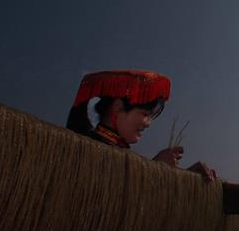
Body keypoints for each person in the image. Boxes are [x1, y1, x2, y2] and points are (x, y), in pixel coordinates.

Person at [66, 69, 217, 180]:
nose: (148, 123)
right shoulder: (85, 149)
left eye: (151, 116)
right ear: (118, 107)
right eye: (145, 114)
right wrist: (155, 167)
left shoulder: (120, 153)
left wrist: (190, 177)